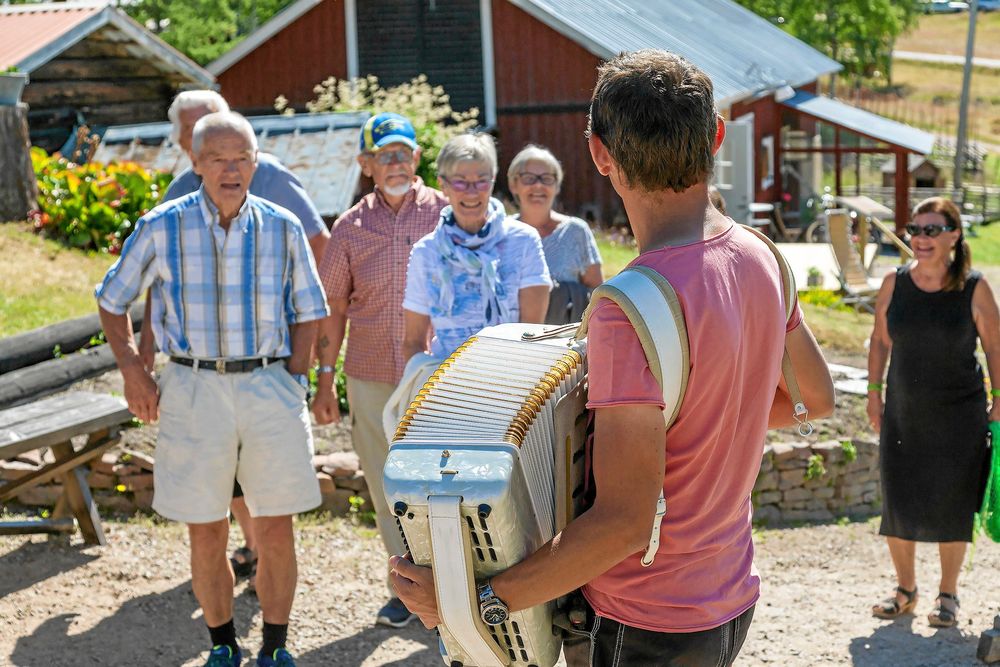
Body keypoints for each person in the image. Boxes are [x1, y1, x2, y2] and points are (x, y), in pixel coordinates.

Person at [389, 49, 834, 666]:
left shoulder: (627, 309)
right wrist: (714, 424)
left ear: (599, 154)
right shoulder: (763, 257)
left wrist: (476, 602)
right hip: (729, 593)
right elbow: (814, 399)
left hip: (647, 616)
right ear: (718, 137)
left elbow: (625, 523)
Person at [96, 111, 328, 667]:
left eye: (242, 158)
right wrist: (133, 370)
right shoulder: (161, 225)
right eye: (218, 159)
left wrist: (294, 377)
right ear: (195, 164)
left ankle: (275, 647)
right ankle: (222, 645)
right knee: (208, 529)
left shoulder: (282, 225)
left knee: (275, 527)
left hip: (269, 385)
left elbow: (310, 310)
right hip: (192, 386)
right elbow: (112, 298)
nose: (232, 169)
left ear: (256, 162)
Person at [147, 90, 331, 585]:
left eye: (210, 126)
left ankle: (256, 556)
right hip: (201, 375)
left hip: (266, 369)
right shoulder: (180, 191)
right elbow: (153, 282)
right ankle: (239, 558)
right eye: (193, 135)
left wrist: (302, 367)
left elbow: (316, 244)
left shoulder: (269, 176)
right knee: (218, 490)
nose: (216, 151)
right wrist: (142, 363)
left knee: (269, 496)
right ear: (189, 148)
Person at [310, 112, 448, 629]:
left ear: (416, 158)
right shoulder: (349, 227)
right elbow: (332, 308)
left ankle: (455, 582)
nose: (396, 162)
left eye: (404, 153)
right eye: (384, 154)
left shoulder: (445, 213)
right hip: (368, 372)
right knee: (385, 481)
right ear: (366, 164)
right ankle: (408, 587)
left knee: (440, 477)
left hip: (436, 371)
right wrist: (326, 379)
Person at [867, 196, 999, 628]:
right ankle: (905, 591)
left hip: (960, 414)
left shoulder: (974, 287)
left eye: (932, 230)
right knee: (899, 499)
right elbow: (880, 340)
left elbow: (995, 347)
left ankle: (948, 594)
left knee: (953, 503)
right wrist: (873, 393)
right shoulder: (893, 282)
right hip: (903, 408)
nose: (920, 238)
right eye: (915, 229)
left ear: (954, 236)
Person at [401, 133, 551, 363]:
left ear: (492, 181)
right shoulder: (426, 252)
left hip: (515, 379)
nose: (471, 192)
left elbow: (533, 335)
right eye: (460, 181)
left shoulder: (524, 241)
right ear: (443, 185)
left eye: (481, 180)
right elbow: (413, 342)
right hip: (447, 386)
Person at [507, 144, 603, 324]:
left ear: (557, 186)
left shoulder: (575, 231)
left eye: (547, 178)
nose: (538, 185)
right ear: (513, 185)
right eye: (528, 178)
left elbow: (599, 294)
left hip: (564, 343)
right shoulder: (504, 232)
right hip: (511, 342)